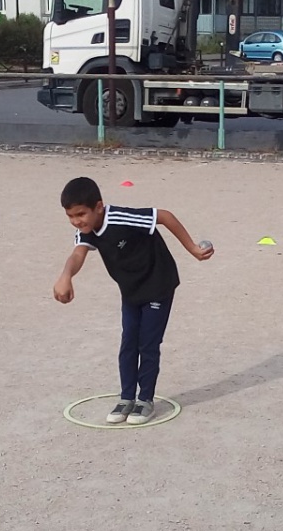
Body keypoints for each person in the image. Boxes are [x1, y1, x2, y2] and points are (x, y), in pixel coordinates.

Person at [53, 177, 214, 425]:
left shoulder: (120, 218)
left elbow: (164, 216)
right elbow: (77, 254)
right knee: (129, 342)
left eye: (80, 214)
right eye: (70, 216)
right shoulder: (88, 230)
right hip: (131, 290)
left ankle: (145, 400)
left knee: (147, 343)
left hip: (158, 283)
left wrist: (192, 248)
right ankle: (127, 398)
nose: (76, 221)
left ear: (98, 207)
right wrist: (66, 276)